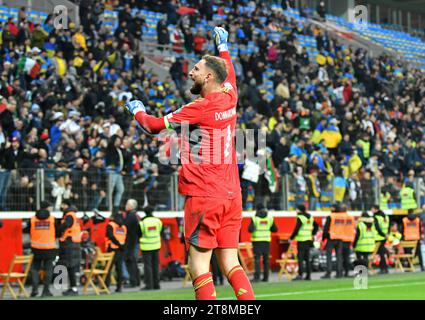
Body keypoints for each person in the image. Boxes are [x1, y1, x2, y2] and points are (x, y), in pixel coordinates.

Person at [124, 27, 255, 300]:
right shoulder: (230, 97)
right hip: (232, 195)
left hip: (204, 195)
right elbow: (228, 72)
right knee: (231, 263)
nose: (191, 72)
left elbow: (153, 126)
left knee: (198, 267)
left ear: (208, 77)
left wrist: (137, 109)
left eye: (196, 69)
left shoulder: (199, 107)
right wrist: (223, 47)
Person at [28, 201, 57, 297]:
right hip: (49, 248)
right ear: (47, 208)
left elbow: (27, 230)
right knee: (48, 269)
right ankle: (46, 291)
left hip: (36, 249)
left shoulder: (32, 219)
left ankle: (35, 289)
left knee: (34, 269)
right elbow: (58, 231)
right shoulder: (52, 219)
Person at [248, 204, 278, 282]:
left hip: (257, 241)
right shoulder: (270, 218)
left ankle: (257, 277)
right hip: (266, 241)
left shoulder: (255, 218)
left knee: (257, 259)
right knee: (266, 260)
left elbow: (250, 229)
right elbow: (275, 229)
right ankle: (266, 277)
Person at [57, 199, 81, 296]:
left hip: (69, 244)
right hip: (73, 243)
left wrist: (57, 230)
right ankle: (72, 288)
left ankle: (73, 288)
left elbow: (64, 226)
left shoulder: (69, 215)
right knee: (70, 266)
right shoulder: (73, 215)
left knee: (70, 266)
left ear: (66, 205)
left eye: (63, 205)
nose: (62, 207)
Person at [290, 204, 318, 280]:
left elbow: (297, 228)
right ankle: (308, 275)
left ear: (299, 210)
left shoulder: (300, 217)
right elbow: (316, 225)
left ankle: (300, 275)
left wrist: (291, 237)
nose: (296, 211)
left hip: (301, 240)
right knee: (307, 258)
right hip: (308, 240)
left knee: (300, 259)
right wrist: (313, 233)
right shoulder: (310, 217)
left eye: (297, 209)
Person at [138, 205, 162, 290]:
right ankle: (157, 285)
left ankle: (149, 285)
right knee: (156, 265)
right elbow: (160, 232)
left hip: (146, 247)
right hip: (156, 246)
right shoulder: (158, 221)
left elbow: (139, 234)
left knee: (148, 267)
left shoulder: (142, 222)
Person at [105, 211, 127, 292]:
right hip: (121, 249)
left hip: (112, 248)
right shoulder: (124, 227)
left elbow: (110, 236)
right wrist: (122, 245)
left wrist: (117, 244)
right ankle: (119, 287)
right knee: (119, 268)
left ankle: (106, 286)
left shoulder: (111, 225)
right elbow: (126, 237)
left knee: (108, 268)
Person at [321, 203, 344, 278]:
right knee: (339, 256)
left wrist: (323, 238)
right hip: (340, 238)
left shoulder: (330, 216)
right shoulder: (342, 217)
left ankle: (328, 272)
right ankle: (339, 272)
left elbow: (326, 228)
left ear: (333, 208)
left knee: (329, 256)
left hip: (331, 238)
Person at [123, 199, 141, 287]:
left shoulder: (131, 216)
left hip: (131, 243)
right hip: (135, 242)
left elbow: (124, 227)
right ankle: (136, 281)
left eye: (127, 204)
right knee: (133, 262)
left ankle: (133, 281)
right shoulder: (135, 215)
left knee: (130, 262)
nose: (125, 205)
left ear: (132, 206)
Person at [371, 205, 389, 274]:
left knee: (381, 254)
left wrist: (383, 234)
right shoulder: (385, 217)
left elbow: (377, 228)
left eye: (372, 209)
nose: (371, 210)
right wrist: (386, 235)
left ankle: (384, 268)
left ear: (376, 209)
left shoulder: (375, 217)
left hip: (378, 237)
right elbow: (388, 226)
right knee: (382, 253)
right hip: (384, 237)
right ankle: (384, 268)